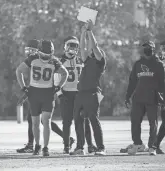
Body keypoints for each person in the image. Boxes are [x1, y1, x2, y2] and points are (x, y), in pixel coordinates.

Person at [16, 39, 74, 153]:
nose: (45, 57)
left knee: (44, 121)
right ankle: (38, 146)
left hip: (44, 94)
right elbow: (19, 71)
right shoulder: (38, 58)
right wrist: (24, 88)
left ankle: (43, 147)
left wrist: (58, 87)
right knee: (37, 122)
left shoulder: (49, 60)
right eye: (43, 54)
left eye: (47, 55)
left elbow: (65, 73)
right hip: (40, 93)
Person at [125, 40, 165, 156]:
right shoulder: (138, 64)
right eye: (145, 47)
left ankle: (152, 147)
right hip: (138, 98)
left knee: (153, 123)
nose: (146, 49)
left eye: (149, 47)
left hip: (152, 98)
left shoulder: (159, 64)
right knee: (135, 122)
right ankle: (137, 144)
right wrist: (127, 96)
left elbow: (164, 84)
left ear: (153, 49)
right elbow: (132, 82)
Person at [71, 20, 106, 156]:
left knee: (93, 120)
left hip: (93, 93)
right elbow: (82, 49)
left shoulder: (100, 61)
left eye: (94, 51)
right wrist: (82, 32)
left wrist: (90, 31)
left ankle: (101, 147)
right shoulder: (88, 60)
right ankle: (80, 147)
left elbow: (95, 47)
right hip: (81, 93)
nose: (91, 51)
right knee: (78, 120)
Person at [56, 36, 96, 154]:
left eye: (75, 45)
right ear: (65, 46)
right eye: (70, 45)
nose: (73, 48)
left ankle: (89, 144)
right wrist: (59, 94)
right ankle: (67, 146)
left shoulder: (81, 60)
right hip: (66, 94)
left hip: (80, 94)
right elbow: (56, 79)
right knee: (67, 121)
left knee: (85, 120)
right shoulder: (59, 61)